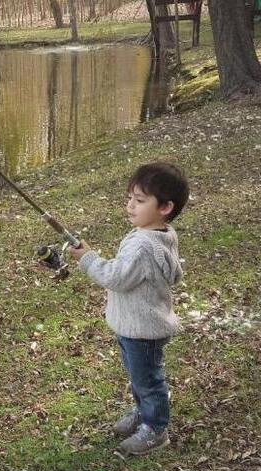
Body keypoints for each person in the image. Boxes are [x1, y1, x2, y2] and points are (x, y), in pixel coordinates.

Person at [68, 162, 189, 455]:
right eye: (130, 198)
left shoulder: (142, 246)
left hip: (142, 329)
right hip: (141, 324)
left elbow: (115, 278)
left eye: (140, 200)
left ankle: (155, 428)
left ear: (165, 207)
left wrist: (87, 258)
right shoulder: (161, 233)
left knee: (148, 379)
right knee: (140, 376)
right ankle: (143, 412)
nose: (130, 206)